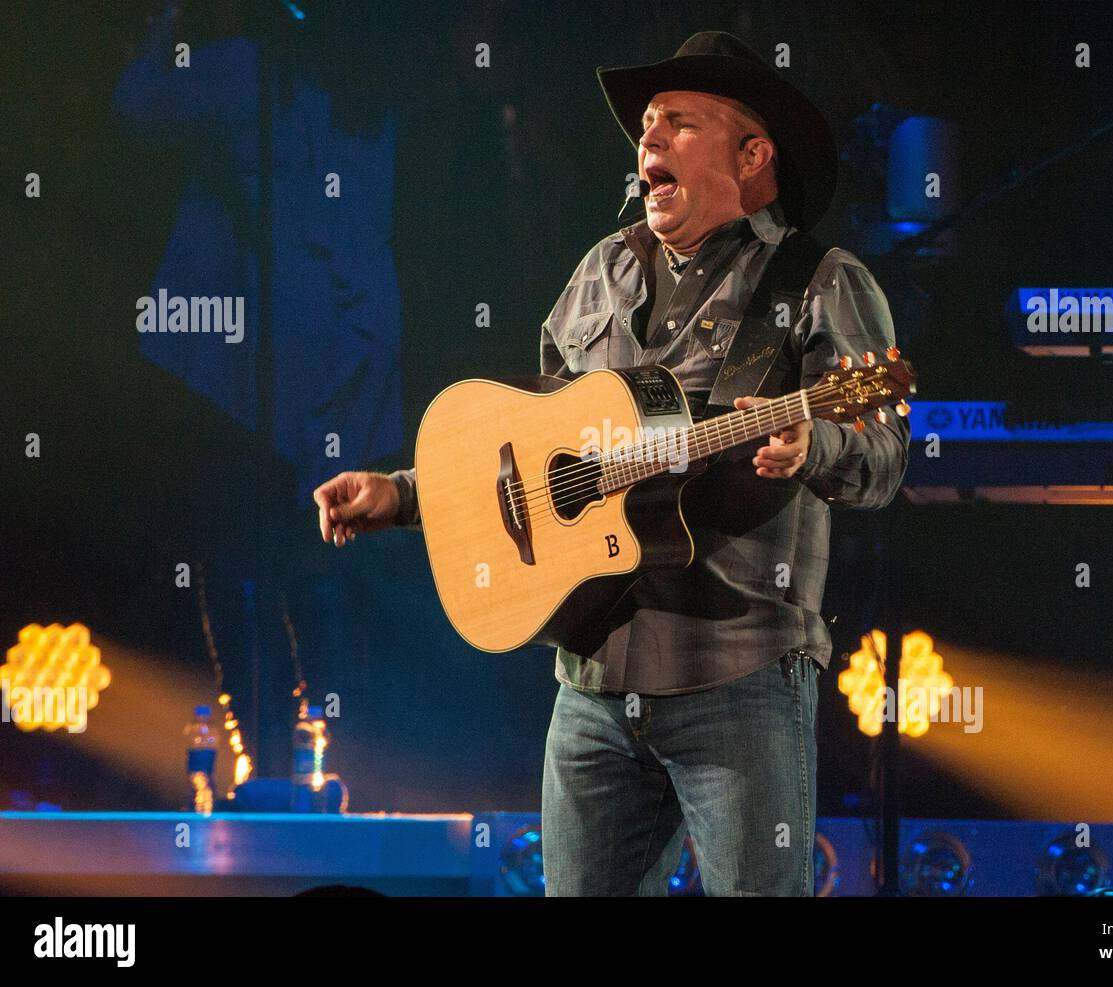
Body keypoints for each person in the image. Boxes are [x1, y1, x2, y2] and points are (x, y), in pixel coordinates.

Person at [314, 32, 909, 895]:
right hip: (592, 683)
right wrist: (403, 494)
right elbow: (527, 450)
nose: (649, 138)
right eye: (647, 124)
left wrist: (818, 442)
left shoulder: (819, 282)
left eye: (680, 122)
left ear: (753, 155)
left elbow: (886, 455)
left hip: (737, 676)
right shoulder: (604, 269)